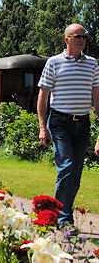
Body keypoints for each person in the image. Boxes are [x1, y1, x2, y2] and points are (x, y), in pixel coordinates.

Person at [37, 23, 99, 228]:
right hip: (59, 122)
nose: (82, 39)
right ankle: (62, 218)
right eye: (77, 36)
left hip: (82, 123)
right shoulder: (53, 63)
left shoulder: (93, 64)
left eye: (84, 36)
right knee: (67, 166)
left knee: (76, 171)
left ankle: (62, 213)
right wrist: (42, 127)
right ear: (67, 39)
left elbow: (97, 100)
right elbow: (43, 96)